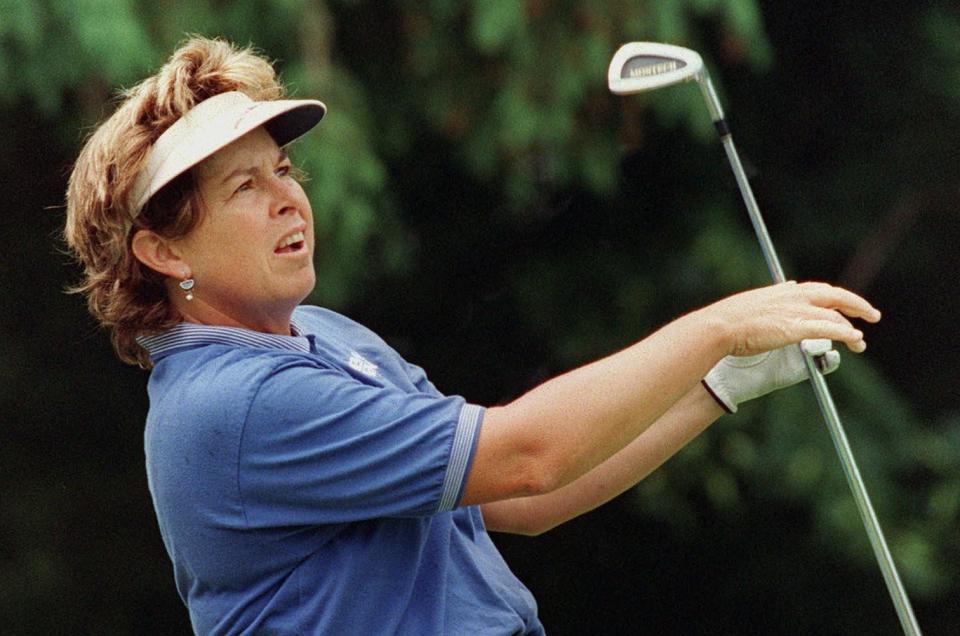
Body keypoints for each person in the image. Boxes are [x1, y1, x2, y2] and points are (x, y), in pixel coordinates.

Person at [64, 36, 880, 635]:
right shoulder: (232, 405)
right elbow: (528, 454)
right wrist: (719, 328)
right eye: (245, 186)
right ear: (163, 251)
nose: (287, 199)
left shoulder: (324, 337)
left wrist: (715, 386)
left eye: (284, 171)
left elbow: (519, 499)